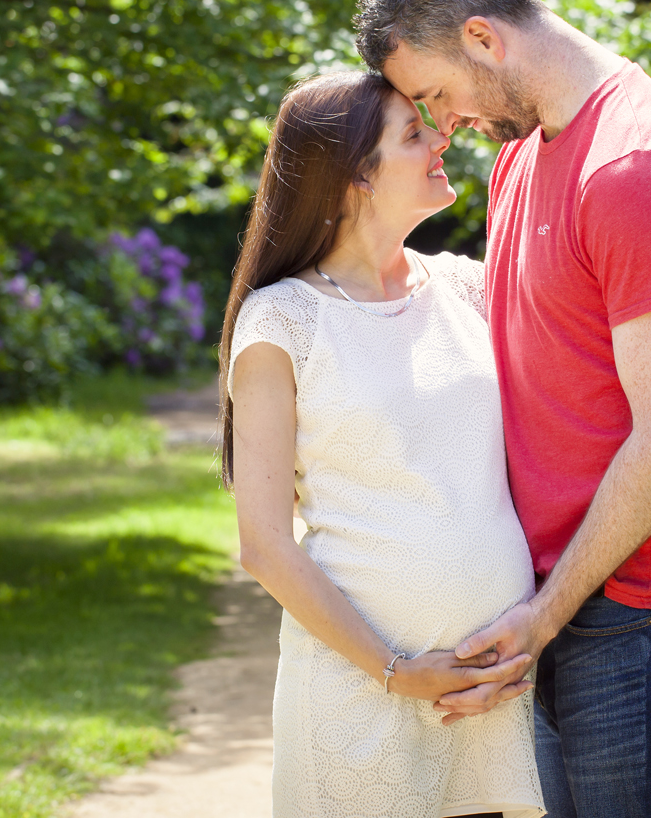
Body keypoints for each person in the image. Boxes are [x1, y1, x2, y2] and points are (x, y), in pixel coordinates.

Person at [354, 0, 651, 818]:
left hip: (642, 618)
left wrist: (543, 614)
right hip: (560, 602)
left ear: (484, 40)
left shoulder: (636, 170)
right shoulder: (522, 158)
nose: (444, 124)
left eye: (436, 95)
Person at [221, 69, 545, 818]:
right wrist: (398, 672)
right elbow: (266, 546)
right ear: (351, 179)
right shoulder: (282, 322)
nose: (440, 140)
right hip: (359, 695)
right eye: (412, 134)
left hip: (486, 697)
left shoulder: (471, 289)